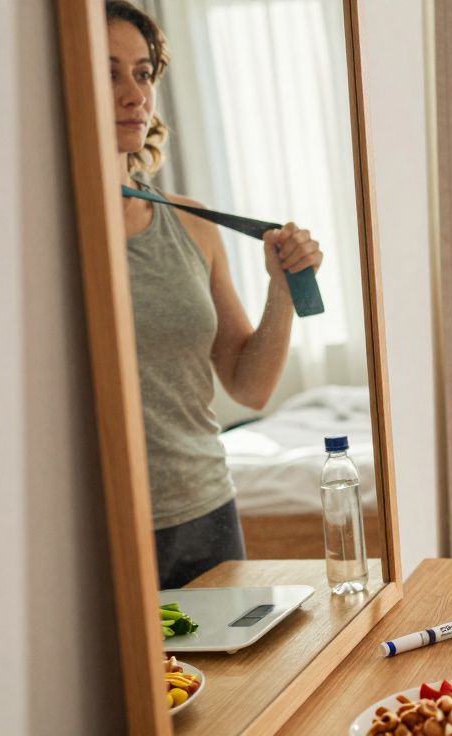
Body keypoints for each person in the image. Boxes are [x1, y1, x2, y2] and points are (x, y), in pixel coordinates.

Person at [107, 1, 323, 589]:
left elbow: (248, 386)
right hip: (103, 528)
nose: (134, 94)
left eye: (143, 73)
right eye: (109, 74)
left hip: (207, 511)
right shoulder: (49, 234)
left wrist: (281, 290)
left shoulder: (192, 222)